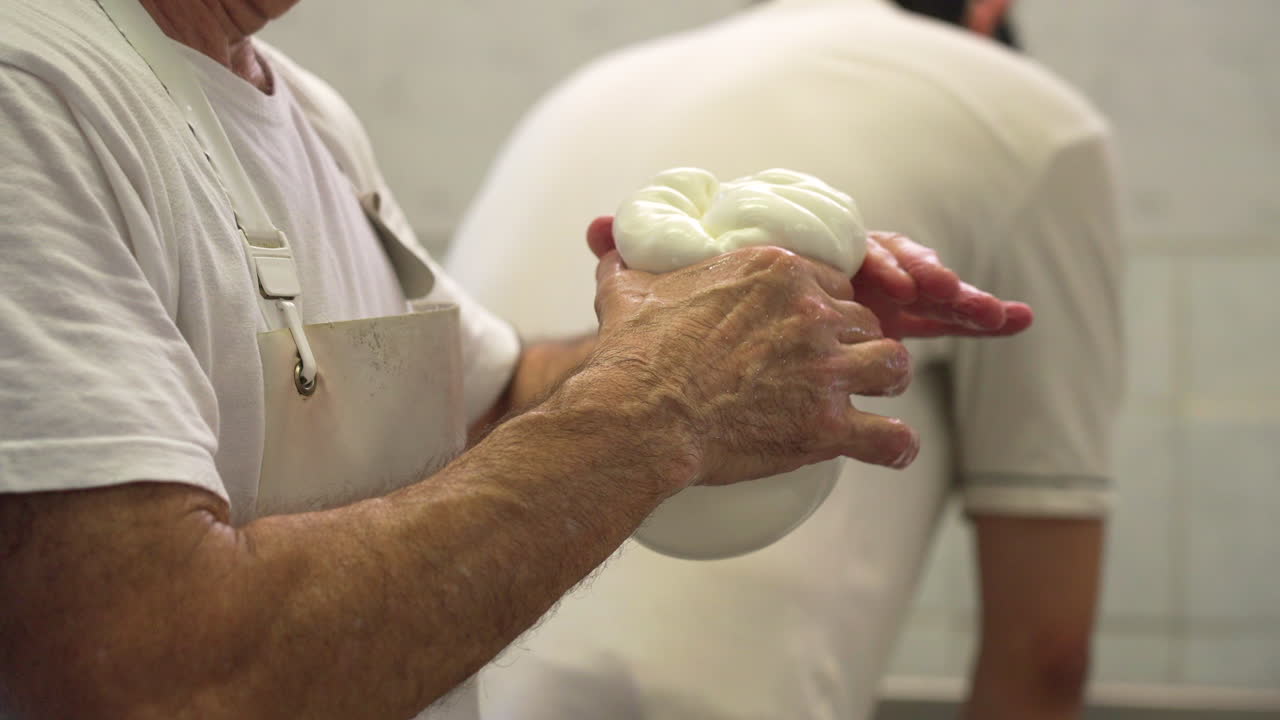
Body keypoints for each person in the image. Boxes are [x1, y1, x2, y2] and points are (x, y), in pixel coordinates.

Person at [0, 1, 1033, 718]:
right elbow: (154, 684)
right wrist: (664, 401)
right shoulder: (33, 91)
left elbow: (487, 408)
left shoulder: (300, 113)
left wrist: (729, 342)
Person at [447, 0, 1123, 718]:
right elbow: (1048, 653)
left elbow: (473, 405)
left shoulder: (582, 94)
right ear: (991, 12)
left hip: (429, 682)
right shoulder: (1040, 125)